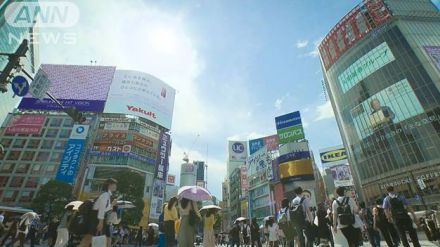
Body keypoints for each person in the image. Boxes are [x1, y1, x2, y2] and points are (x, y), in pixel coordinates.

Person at [79, 178, 118, 247]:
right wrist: (101, 222)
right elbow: (102, 209)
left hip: (95, 217)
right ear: (109, 185)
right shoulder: (105, 194)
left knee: (88, 238)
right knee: (88, 239)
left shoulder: (107, 195)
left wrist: (112, 205)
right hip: (96, 218)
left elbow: (104, 209)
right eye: (114, 184)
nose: (115, 186)